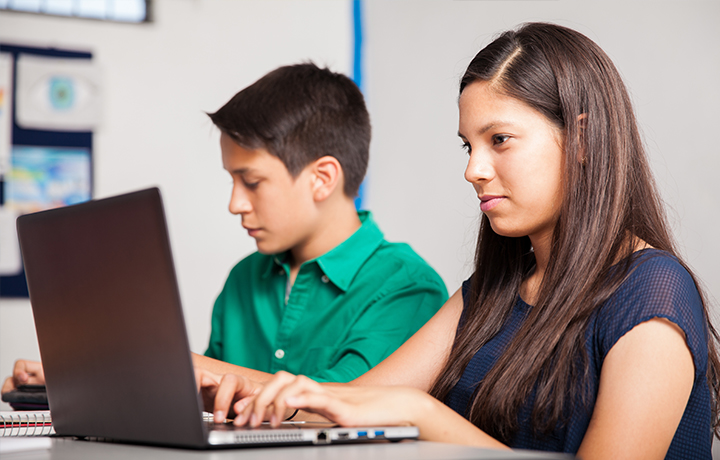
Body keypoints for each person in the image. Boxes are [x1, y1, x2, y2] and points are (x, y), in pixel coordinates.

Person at [197, 23, 720, 458]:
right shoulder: (491, 291)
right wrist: (206, 379)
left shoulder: (653, 294)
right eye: (468, 146)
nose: (473, 169)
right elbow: (344, 404)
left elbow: (398, 406)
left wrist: (422, 413)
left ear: (582, 139)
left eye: (499, 141)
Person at [1, 63, 448, 394]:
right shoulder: (244, 279)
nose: (235, 203)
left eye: (251, 183)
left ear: (322, 178)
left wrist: (179, 365)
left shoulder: (406, 287)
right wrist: (88, 376)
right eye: (232, 181)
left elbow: (350, 402)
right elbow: (206, 394)